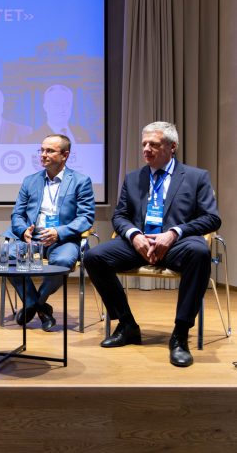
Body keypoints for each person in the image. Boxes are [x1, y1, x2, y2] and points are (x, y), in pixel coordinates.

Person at [83, 121, 220, 367]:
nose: (146, 149)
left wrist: (175, 232)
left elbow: (212, 218)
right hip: (139, 244)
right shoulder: (134, 178)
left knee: (200, 252)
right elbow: (120, 216)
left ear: (172, 147)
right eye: (144, 144)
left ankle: (180, 334)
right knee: (94, 257)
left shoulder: (196, 177)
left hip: (177, 244)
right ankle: (127, 324)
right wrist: (134, 235)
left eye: (153, 144)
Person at [4, 134, 95, 331]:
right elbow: (17, 214)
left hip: (63, 239)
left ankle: (35, 304)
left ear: (65, 155)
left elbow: (86, 217)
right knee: (7, 256)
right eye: (42, 150)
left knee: (63, 261)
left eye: (50, 151)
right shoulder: (30, 181)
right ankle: (38, 307)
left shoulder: (80, 181)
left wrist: (58, 231)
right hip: (32, 238)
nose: (43, 154)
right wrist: (23, 230)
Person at [28, 84, 99, 144]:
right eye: (56, 104)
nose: (62, 109)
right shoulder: (34, 138)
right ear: (45, 107)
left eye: (67, 104)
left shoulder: (82, 133)